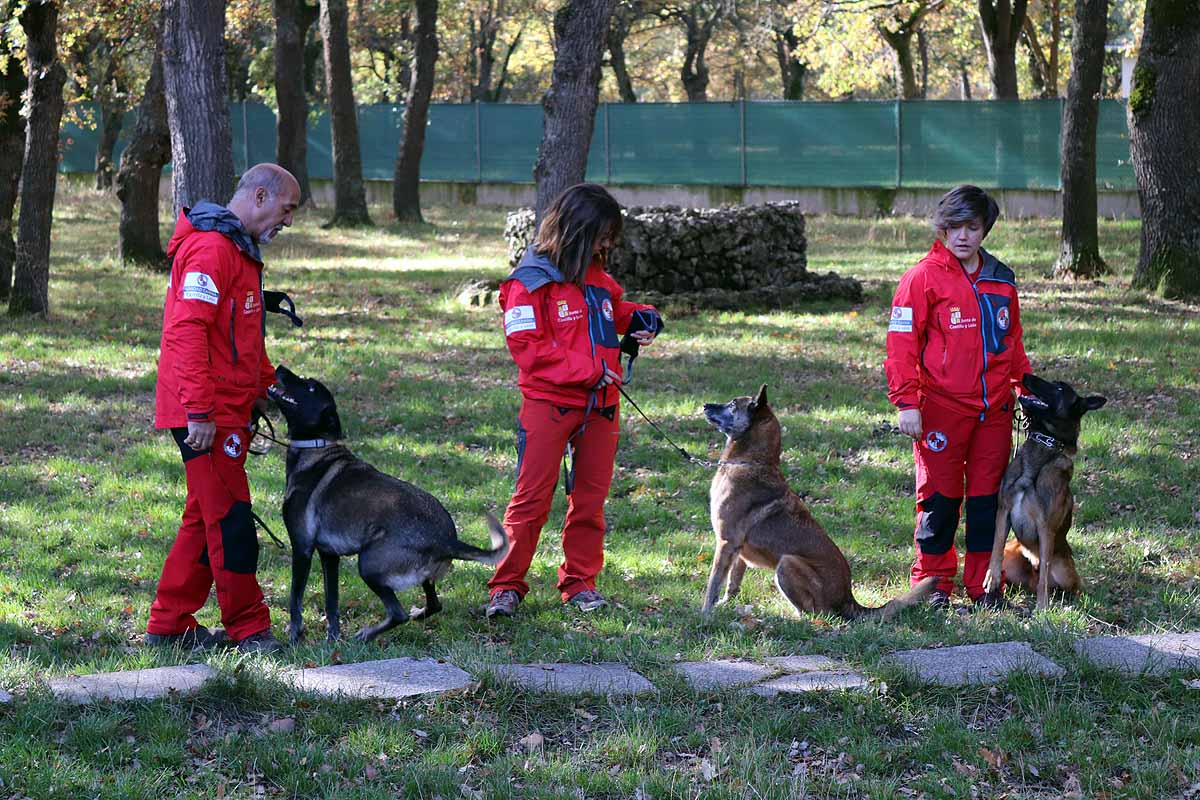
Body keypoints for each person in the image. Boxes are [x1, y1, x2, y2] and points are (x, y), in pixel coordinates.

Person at [486, 183, 663, 618]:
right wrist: (589, 371)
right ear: (577, 230)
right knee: (530, 502)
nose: (608, 245)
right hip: (549, 406)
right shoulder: (527, 282)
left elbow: (615, 314)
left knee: (589, 502)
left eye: (611, 238)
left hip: (601, 408)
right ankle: (505, 586)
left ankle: (580, 583)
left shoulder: (596, 277)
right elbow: (527, 348)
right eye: (603, 236)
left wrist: (647, 319)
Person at [146, 164, 301, 652]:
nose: (288, 221)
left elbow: (243, 337)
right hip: (204, 416)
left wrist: (270, 390)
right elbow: (187, 331)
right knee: (231, 518)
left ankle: (170, 625)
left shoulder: (237, 250)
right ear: (259, 196)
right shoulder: (212, 250)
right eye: (287, 209)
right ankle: (250, 629)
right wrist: (199, 413)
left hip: (223, 410)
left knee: (204, 516)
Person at [884, 185, 1031, 606]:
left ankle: (984, 584)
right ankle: (933, 584)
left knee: (987, 502)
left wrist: (1025, 389)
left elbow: (1012, 344)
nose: (962, 236)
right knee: (939, 501)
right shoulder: (921, 278)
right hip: (940, 412)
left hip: (995, 413)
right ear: (941, 228)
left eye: (972, 226)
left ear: (985, 229)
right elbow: (901, 346)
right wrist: (907, 403)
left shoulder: (1001, 280)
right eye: (954, 227)